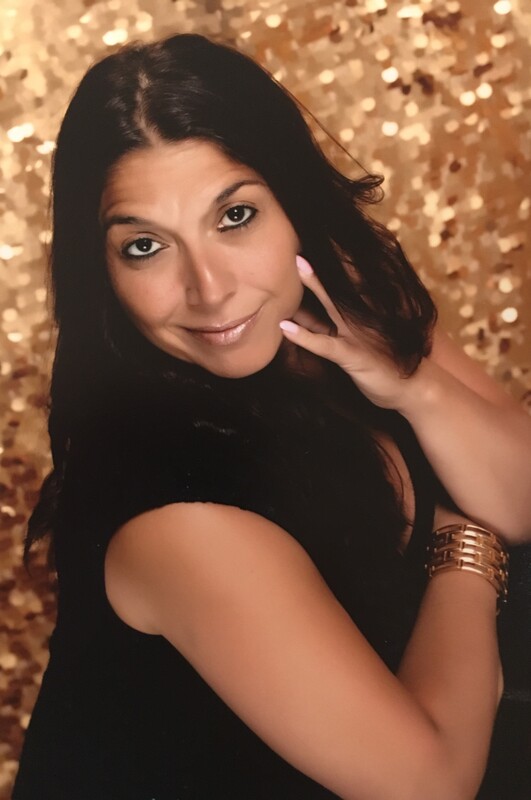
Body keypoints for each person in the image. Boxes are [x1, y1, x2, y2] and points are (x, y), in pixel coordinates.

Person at [13, 32, 531, 800]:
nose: (210, 289)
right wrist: (462, 534)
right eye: (146, 246)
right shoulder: (172, 511)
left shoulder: (339, 301)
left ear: (294, 205)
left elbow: (521, 492)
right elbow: (427, 784)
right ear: (103, 272)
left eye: (235, 216)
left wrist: (415, 387)